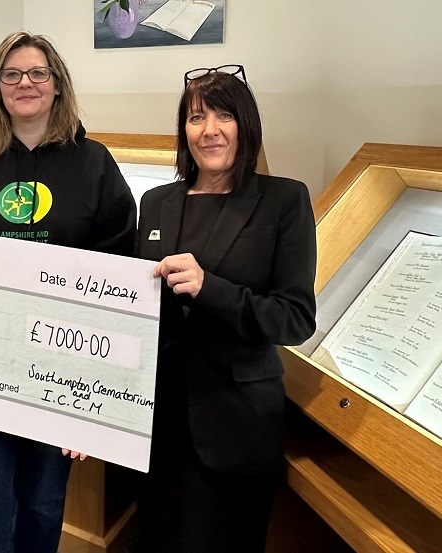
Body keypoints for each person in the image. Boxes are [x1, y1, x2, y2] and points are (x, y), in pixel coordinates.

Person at [0, 32, 136, 553]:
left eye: (38, 73)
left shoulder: (95, 164)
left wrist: (98, 397)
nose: (26, 84)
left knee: (42, 510)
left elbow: (120, 274)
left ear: (57, 86)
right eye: (12, 75)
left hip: (58, 371)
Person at [133, 65, 317, 552]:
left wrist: (209, 288)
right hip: (156, 426)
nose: (209, 130)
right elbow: (133, 310)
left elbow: (294, 318)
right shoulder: (155, 203)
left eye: (224, 116)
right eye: (196, 118)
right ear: (183, 131)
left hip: (235, 427)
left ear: (246, 125)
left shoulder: (285, 201)